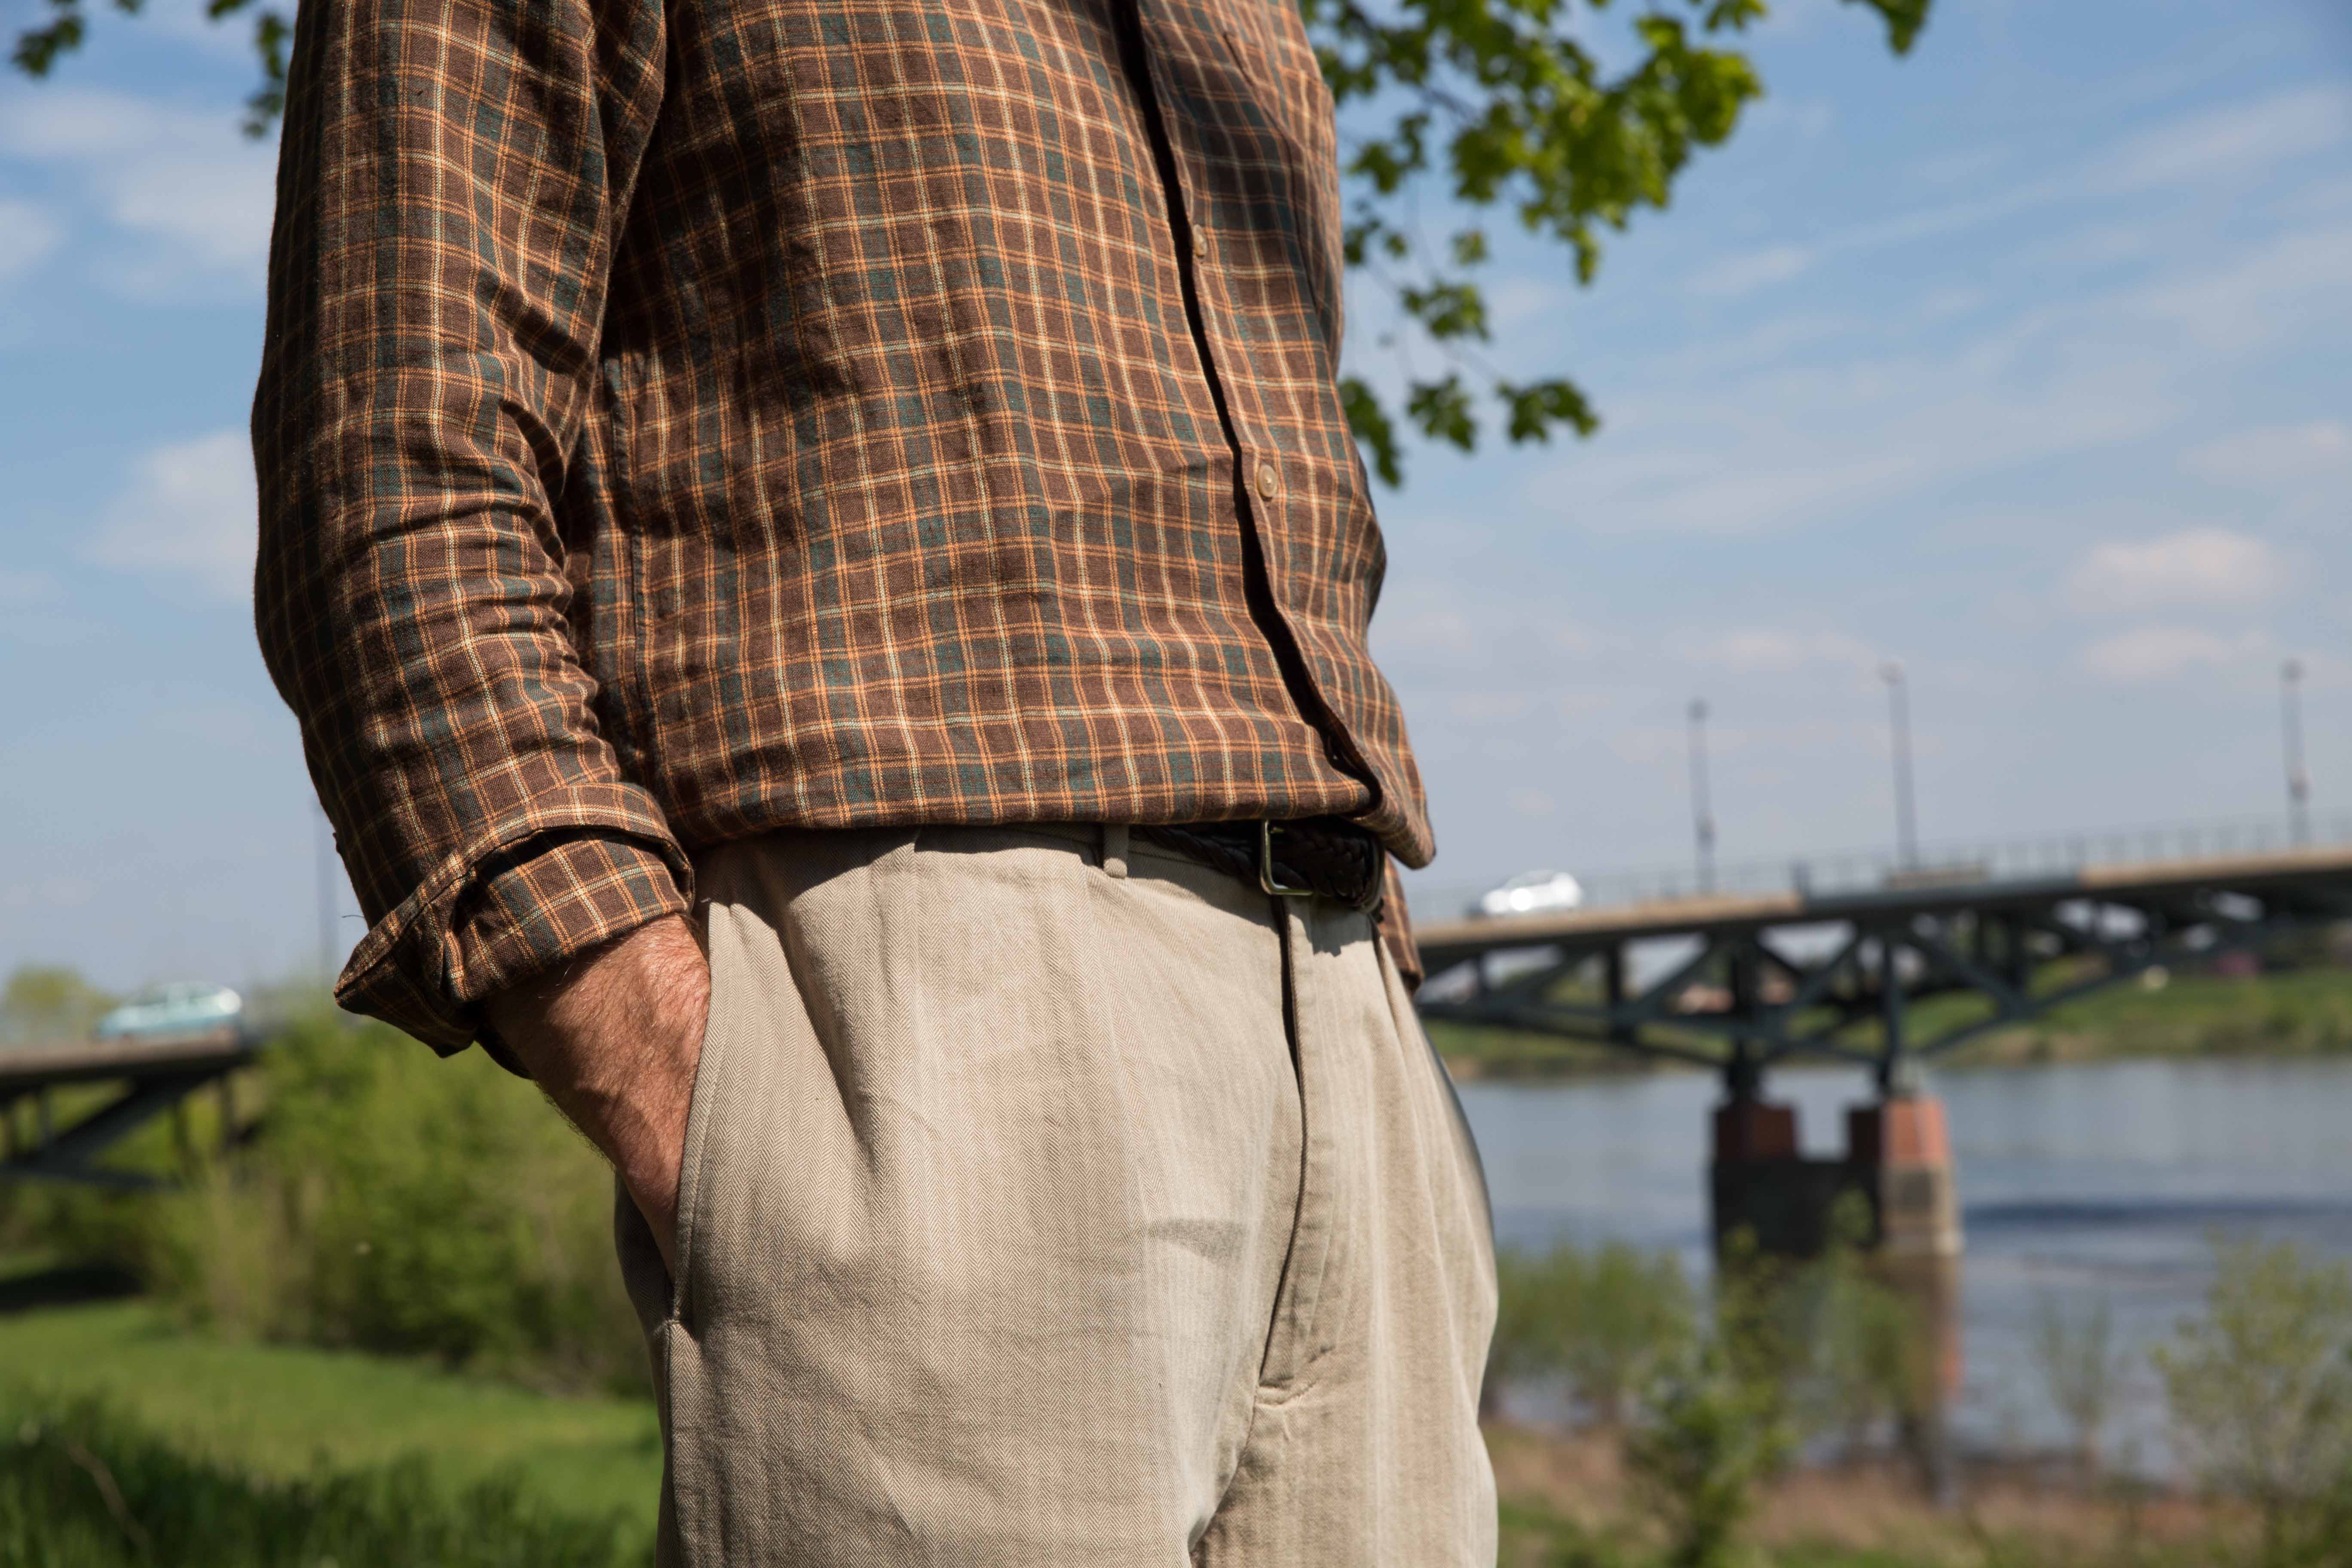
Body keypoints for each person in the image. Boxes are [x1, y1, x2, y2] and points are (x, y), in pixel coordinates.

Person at [252, 0, 1496, 1558]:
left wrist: (1365, 999)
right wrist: (674, 1077)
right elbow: (392, 457)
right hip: (927, 1006)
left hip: (1348, 1005)